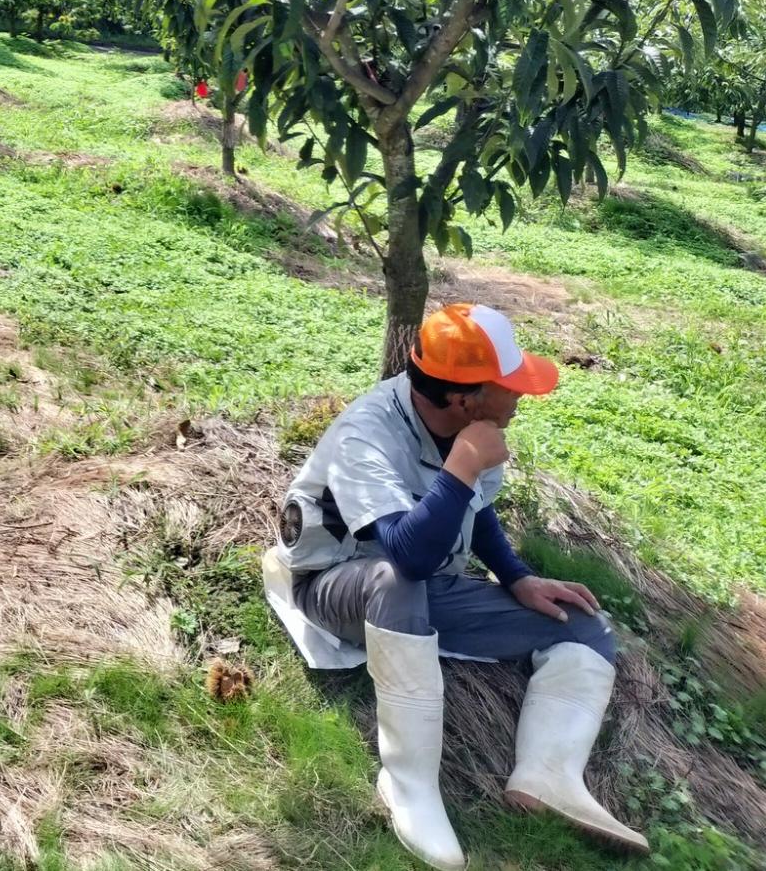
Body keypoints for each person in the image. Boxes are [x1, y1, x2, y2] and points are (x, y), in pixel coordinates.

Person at [263, 303, 646, 870]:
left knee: (583, 627)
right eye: (509, 387)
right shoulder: (365, 434)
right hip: (332, 585)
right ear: (467, 398)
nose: (523, 398)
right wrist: (462, 466)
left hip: (422, 589)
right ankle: (409, 782)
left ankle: (549, 775)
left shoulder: (469, 429)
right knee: (398, 581)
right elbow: (410, 556)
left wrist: (517, 577)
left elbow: (478, 513)